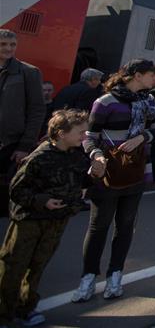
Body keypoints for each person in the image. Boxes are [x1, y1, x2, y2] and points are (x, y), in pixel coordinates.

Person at [0, 110, 103, 327]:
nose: (85, 136)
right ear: (61, 133)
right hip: (30, 220)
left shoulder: (75, 156)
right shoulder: (39, 157)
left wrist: (96, 173)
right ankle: (4, 313)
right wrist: (42, 200)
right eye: (80, 132)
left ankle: (26, 308)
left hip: (56, 221)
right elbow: (16, 189)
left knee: (38, 265)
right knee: (13, 266)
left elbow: (81, 184)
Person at [73, 59, 155, 303]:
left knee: (125, 225)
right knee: (98, 225)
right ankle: (88, 276)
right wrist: (96, 154)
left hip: (135, 169)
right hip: (107, 170)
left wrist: (142, 137)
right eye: (152, 75)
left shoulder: (149, 101)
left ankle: (115, 275)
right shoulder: (104, 102)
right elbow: (89, 137)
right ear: (137, 75)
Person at [0, 30, 45, 180]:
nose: (8, 48)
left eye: (12, 44)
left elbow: (37, 110)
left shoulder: (29, 72)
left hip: (9, 146)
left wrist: (25, 146)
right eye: (3, 44)